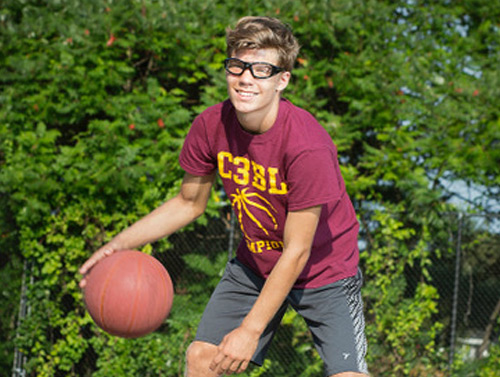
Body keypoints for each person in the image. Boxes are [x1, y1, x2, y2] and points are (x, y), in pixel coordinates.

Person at [79, 16, 369, 377]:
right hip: (256, 265)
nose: (246, 78)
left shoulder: (307, 146)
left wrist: (249, 330)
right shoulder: (211, 125)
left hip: (324, 271)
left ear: (283, 80)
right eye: (238, 66)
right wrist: (117, 245)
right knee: (203, 358)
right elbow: (188, 203)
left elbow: (297, 252)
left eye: (261, 69)